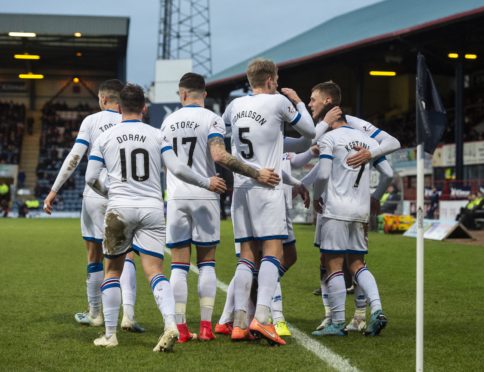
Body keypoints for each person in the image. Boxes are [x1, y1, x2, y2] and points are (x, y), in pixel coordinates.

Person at [85, 83, 226, 350]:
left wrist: (110, 191)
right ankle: (170, 324)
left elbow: (91, 177)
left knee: (112, 270)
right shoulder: (157, 134)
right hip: (151, 208)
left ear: (119, 107)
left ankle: (110, 334)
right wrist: (206, 182)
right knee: (155, 271)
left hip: (119, 208)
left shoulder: (105, 137)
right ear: (144, 108)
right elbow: (177, 169)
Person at [161, 72, 279, 343]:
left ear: (181, 94)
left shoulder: (167, 122)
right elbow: (219, 156)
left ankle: (180, 329)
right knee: (206, 264)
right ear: (204, 94)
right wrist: (255, 172)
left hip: (177, 198)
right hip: (206, 195)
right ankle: (205, 327)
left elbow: (169, 164)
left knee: (178, 266)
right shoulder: (211, 118)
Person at [222, 58, 315, 345]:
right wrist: (298, 102)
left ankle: (238, 322)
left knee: (247, 255)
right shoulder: (277, 102)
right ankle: (262, 319)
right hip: (268, 186)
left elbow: (224, 135)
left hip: (242, 188)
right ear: (272, 80)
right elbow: (309, 132)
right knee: (274, 252)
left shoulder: (234, 107)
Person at [43, 80, 143, 331]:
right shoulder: (131, 122)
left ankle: (96, 313)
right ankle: (128, 315)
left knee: (94, 254)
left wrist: (54, 190)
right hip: (125, 194)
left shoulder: (91, 121)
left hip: (95, 195)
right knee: (127, 253)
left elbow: (74, 157)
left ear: (102, 99)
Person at [311, 113, 392, 337]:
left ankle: (336, 323)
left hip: (336, 209)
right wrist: (375, 197)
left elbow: (324, 173)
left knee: (333, 266)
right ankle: (376, 309)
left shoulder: (330, 138)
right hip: (360, 210)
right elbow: (388, 174)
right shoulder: (370, 141)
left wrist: (317, 196)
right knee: (357, 265)